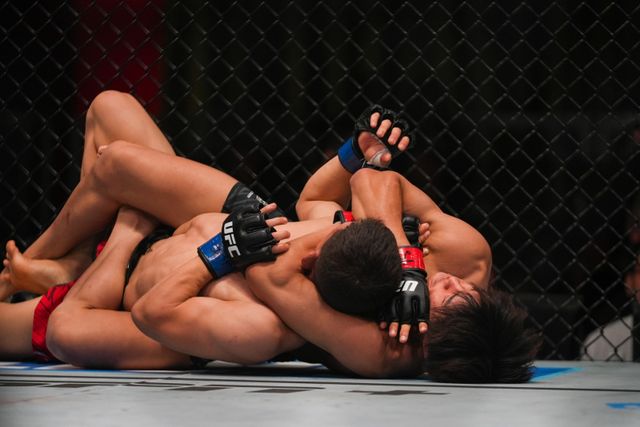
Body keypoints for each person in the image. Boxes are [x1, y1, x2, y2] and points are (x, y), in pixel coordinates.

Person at [2, 90, 539, 380]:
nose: (453, 285)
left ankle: (67, 274)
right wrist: (359, 160)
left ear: (432, 339)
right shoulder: (463, 254)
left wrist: (137, 232)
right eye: (468, 291)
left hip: (199, 281)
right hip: (229, 231)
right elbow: (351, 190)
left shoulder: (385, 349)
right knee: (110, 116)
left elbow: (272, 274)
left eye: (453, 302)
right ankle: (58, 264)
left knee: (56, 323)